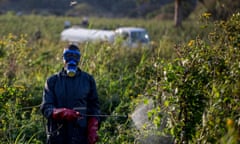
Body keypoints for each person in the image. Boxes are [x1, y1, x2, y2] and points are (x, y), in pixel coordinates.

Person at [40, 44, 100, 144]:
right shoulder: (52, 81)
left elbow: (94, 107)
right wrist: (61, 113)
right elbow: (46, 107)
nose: (71, 60)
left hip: (80, 135)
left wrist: (93, 128)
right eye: (68, 56)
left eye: (75, 57)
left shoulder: (88, 80)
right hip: (57, 135)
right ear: (63, 58)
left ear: (79, 59)